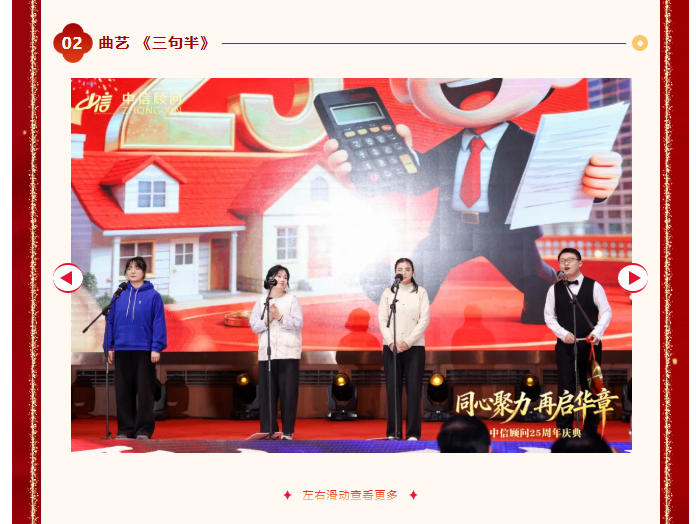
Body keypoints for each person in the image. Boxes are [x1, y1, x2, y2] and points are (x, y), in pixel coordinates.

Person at [324, 79, 623, 325]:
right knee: (422, 271)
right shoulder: (453, 146)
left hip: (505, 232)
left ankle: (558, 299)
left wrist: (597, 183)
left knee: (534, 278)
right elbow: (418, 180)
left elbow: (563, 176)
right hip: (452, 230)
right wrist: (389, 165)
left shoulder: (528, 144)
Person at [544, 248, 612, 434]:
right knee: (566, 387)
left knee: (592, 388)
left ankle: (590, 430)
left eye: (570, 260)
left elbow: (606, 311)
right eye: (562, 261)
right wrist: (562, 333)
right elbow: (549, 317)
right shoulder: (554, 289)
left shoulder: (594, 286)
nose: (565, 263)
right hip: (565, 346)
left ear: (580, 263)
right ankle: (565, 429)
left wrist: (597, 332)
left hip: (590, 345)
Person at [103, 256, 167, 440]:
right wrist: (109, 347)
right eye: (129, 268)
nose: (132, 271)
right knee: (123, 392)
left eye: (137, 268)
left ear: (144, 272)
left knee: (145, 392)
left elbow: (159, 323)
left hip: (144, 350)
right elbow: (110, 322)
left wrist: (156, 347)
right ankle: (125, 429)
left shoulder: (153, 296)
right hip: (122, 349)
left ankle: (143, 430)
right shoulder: (118, 295)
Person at [378, 258, 430, 440]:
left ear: (413, 272)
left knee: (414, 391)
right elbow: (382, 319)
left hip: (414, 348)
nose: (404, 272)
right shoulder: (389, 293)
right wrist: (390, 341)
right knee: (393, 391)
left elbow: (424, 320)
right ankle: (394, 432)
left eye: (407, 269)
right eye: (400, 269)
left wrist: (408, 341)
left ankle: (413, 433)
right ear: (396, 272)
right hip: (391, 348)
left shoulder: (421, 292)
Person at [249, 265, 304, 440]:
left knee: (288, 394)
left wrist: (280, 317)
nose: (282, 280)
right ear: (270, 279)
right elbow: (254, 326)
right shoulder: (261, 302)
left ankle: (287, 432)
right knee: (267, 394)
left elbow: (298, 323)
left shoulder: (292, 300)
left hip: (288, 353)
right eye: (278, 276)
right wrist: (268, 319)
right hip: (267, 354)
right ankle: (268, 430)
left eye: (285, 277)